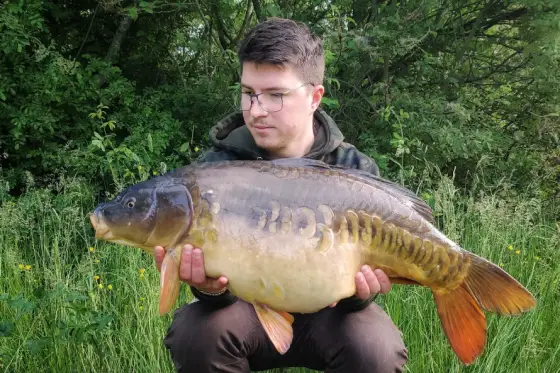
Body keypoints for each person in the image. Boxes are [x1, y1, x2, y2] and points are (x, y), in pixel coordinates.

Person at [153, 17, 408, 373]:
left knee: (375, 349)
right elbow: (214, 288)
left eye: (276, 96)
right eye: (248, 93)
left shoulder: (352, 170)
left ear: (314, 97)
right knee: (196, 333)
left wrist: (364, 294)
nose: (256, 111)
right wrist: (208, 288)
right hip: (246, 312)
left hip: (330, 316)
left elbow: (365, 288)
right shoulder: (218, 170)